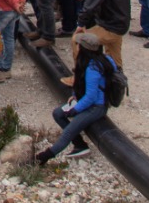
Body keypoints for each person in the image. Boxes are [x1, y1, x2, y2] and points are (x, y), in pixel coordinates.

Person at [35, 33, 116, 164]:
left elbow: (91, 97)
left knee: (68, 131)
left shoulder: (93, 68)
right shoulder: (99, 61)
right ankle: (80, 144)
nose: (75, 46)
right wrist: (74, 96)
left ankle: (43, 157)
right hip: (87, 102)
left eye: (78, 44)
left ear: (83, 49)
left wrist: (75, 109)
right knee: (58, 113)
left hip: (96, 107)